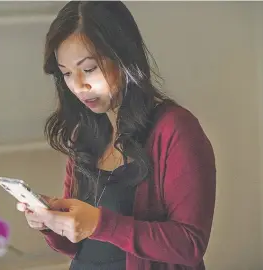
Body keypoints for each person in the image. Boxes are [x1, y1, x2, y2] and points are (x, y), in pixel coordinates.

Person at [18, 1, 216, 269]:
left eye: (89, 69)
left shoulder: (175, 129)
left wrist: (99, 223)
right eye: (66, 73)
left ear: (123, 57)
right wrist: (51, 222)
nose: (78, 86)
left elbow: (190, 244)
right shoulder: (84, 136)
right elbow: (79, 246)